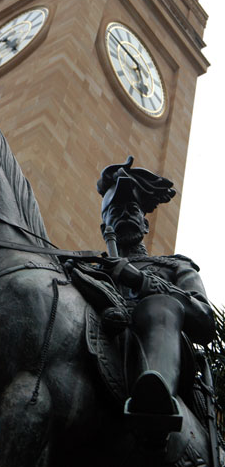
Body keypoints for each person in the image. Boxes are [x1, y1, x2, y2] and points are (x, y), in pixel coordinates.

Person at [95, 157, 215, 435]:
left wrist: (139, 280)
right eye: (117, 210)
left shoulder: (176, 266)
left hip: (167, 348)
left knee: (161, 306)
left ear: (145, 225)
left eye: (133, 209)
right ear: (105, 228)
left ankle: (155, 400)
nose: (125, 214)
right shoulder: (91, 271)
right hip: (107, 342)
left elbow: (204, 320)